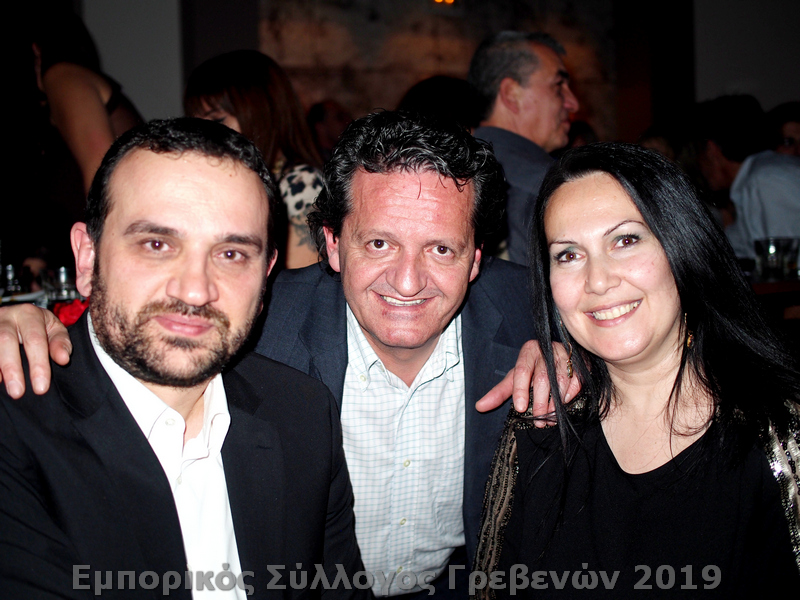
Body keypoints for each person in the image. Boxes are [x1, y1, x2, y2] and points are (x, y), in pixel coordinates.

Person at [0, 111, 578, 597]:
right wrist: (40, 319)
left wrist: (577, 363)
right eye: (379, 242)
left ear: (476, 260)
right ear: (331, 244)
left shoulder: (534, 311)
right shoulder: (261, 340)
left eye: (442, 250)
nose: (408, 280)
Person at [0, 118, 365, 599]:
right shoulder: (15, 427)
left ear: (266, 275)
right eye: (157, 245)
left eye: (232, 254)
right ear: (87, 258)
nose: (195, 289)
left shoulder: (302, 414)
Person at [474, 143, 800, 598]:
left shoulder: (780, 440)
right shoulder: (540, 427)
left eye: (625, 240)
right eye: (568, 254)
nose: (598, 280)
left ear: (683, 244)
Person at [184, 50, 324, 270]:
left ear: (262, 113)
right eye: (197, 124)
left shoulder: (301, 184)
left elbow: (299, 284)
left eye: (217, 120)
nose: (204, 134)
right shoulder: (226, 180)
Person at [468, 31, 579, 265]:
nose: (573, 103)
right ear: (511, 94)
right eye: (558, 86)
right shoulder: (547, 188)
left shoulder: (456, 168)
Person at [693, 95, 800, 260]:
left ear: (711, 150)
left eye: (697, 153)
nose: (698, 165)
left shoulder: (766, 179)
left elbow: (785, 263)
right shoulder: (754, 180)